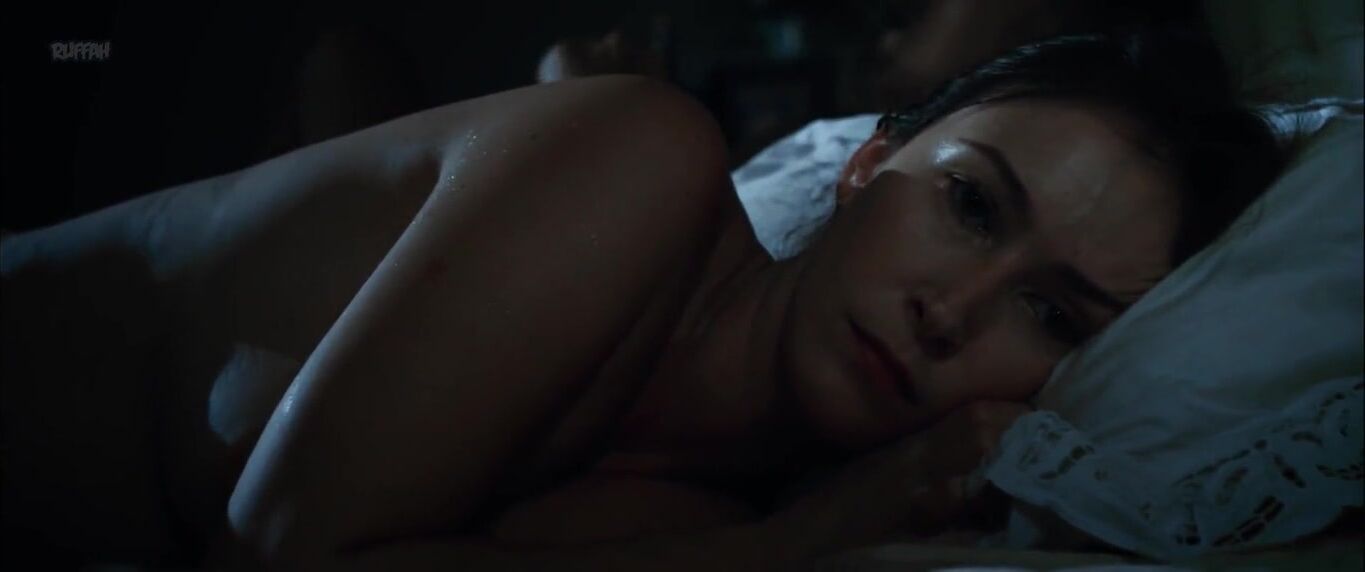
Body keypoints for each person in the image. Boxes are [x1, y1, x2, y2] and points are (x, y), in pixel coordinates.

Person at [0, 31, 1283, 569]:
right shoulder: (642, 153)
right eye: (971, 205)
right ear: (865, 165)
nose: (954, 311)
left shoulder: (677, 519)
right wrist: (803, 538)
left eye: (1052, 315)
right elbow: (290, 549)